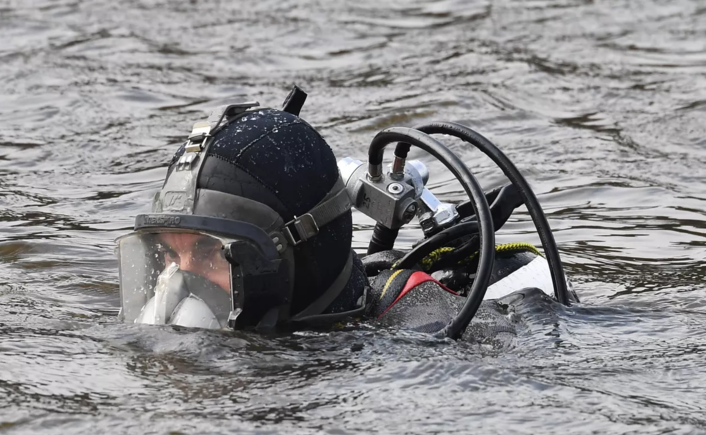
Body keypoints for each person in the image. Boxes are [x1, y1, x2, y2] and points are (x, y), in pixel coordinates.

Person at [115, 89, 576, 343]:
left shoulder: (431, 336)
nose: (179, 282)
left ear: (294, 254)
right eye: (170, 256)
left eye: (209, 253)